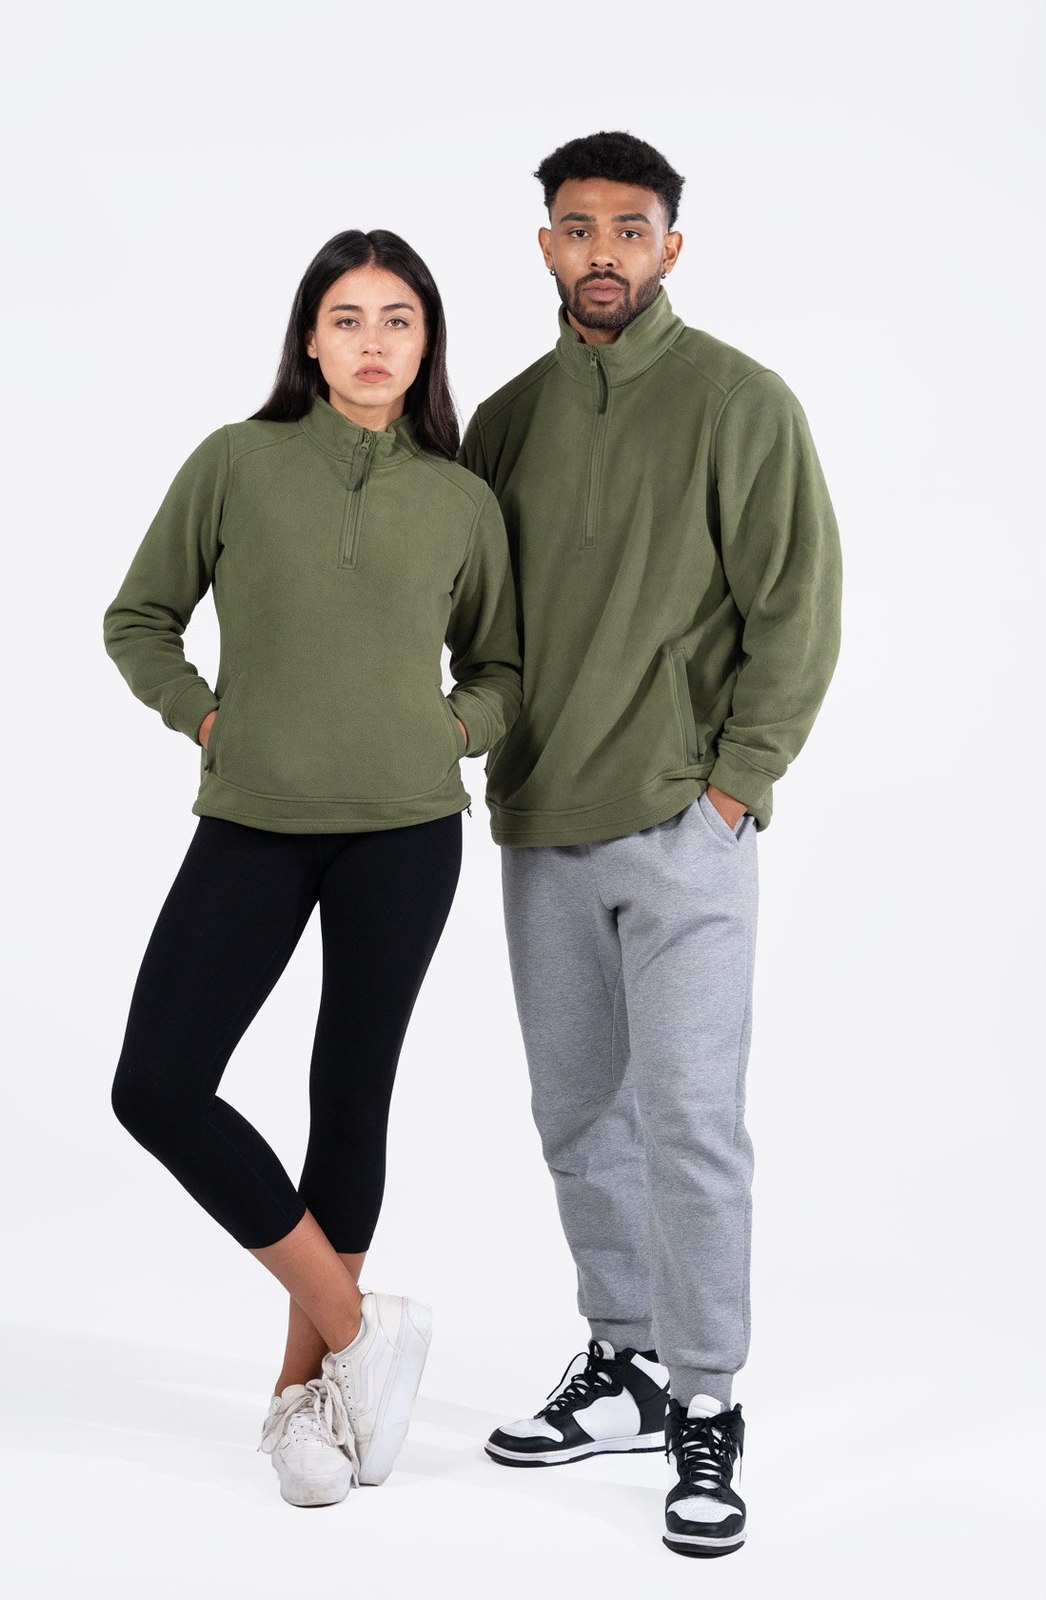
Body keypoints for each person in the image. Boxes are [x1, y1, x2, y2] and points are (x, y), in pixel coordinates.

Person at [459, 131, 842, 1558]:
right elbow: (469, 617)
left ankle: (706, 1401)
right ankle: (620, 1361)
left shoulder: (739, 401)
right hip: (538, 825)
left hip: (685, 831)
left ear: (670, 246)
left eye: (630, 228)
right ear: (545, 246)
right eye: (577, 227)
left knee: (688, 1123)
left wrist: (734, 788)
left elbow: (796, 605)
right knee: (577, 1119)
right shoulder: (503, 420)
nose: (602, 252)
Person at [103, 228, 521, 1510]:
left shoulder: (458, 497)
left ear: (426, 343)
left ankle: (309, 1405)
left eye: (399, 320)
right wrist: (208, 718)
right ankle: (358, 1329)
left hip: (405, 829)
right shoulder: (235, 462)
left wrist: (448, 734)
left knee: (348, 1094)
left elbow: (499, 668)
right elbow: (139, 618)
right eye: (348, 318)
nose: (373, 342)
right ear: (309, 338)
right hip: (255, 817)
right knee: (157, 1085)